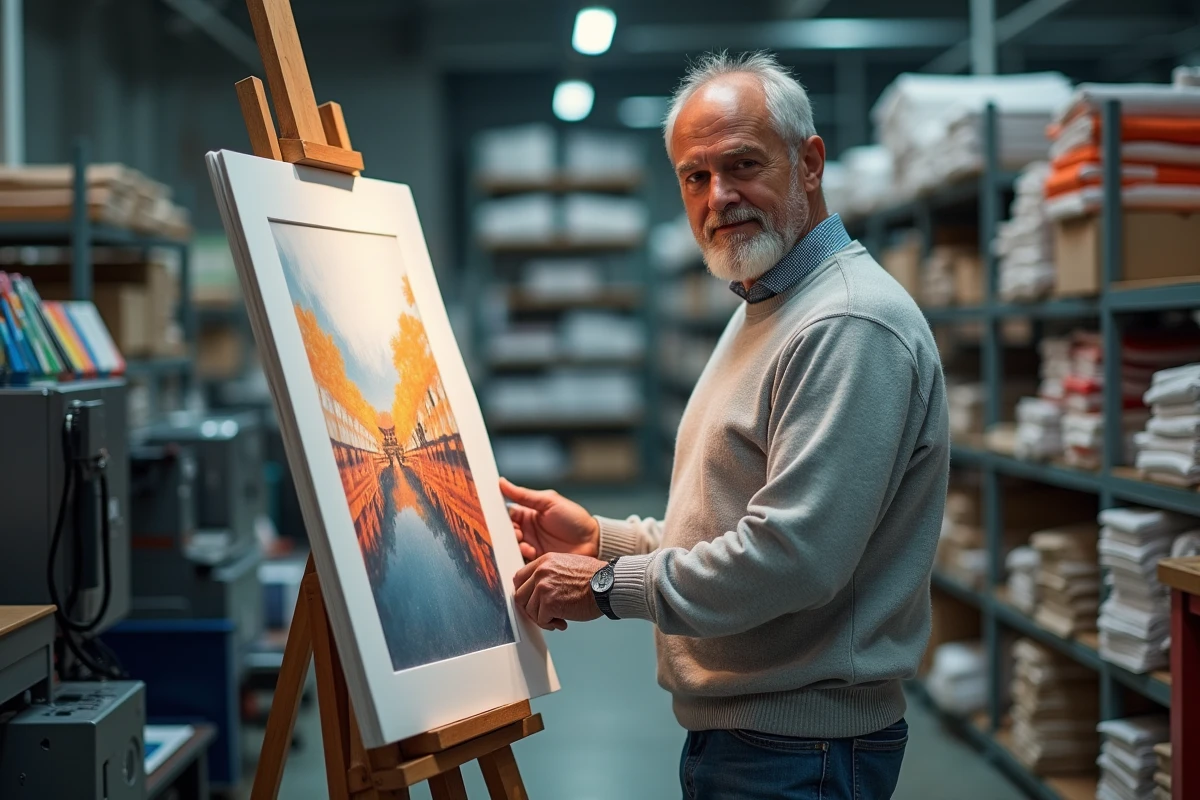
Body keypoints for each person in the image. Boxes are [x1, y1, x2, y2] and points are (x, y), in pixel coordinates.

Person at [502, 50, 949, 800]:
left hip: (801, 749)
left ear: (809, 163)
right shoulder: (764, 304)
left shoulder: (846, 323)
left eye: (743, 165)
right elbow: (737, 518)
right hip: (757, 739)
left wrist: (609, 584)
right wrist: (602, 539)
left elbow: (791, 556)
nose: (720, 196)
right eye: (695, 176)